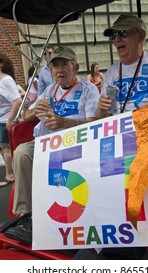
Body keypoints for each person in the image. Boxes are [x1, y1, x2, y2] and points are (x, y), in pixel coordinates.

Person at [73, 14, 148, 260]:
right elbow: (100, 117)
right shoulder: (111, 72)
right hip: (117, 142)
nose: (117, 39)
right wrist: (101, 107)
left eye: (123, 33)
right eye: (114, 36)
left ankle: (139, 237)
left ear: (141, 35)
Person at [4, 46, 99, 244]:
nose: (59, 70)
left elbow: (94, 124)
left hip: (75, 143)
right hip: (46, 142)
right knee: (22, 152)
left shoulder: (88, 90)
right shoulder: (49, 90)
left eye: (65, 64)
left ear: (76, 67)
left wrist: (65, 123)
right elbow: (24, 116)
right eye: (55, 66)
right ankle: (26, 214)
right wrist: (32, 112)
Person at [0, 53, 22, 187]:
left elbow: (18, 100)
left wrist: (10, 119)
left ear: (1, 63)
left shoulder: (6, 80)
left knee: (6, 149)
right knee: (5, 148)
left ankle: (10, 174)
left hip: (5, 120)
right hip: (2, 118)